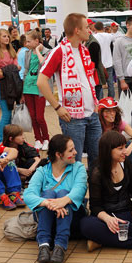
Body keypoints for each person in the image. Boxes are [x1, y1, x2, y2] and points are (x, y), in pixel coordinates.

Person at [37, 13, 102, 166]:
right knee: (74, 162)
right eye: (86, 27)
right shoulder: (59, 51)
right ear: (77, 30)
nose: (90, 30)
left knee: (97, 160)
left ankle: (95, 189)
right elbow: (41, 81)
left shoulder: (84, 50)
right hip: (72, 117)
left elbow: (88, 79)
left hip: (91, 113)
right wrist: (57, 107)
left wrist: (95, 102)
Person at [80, 130, 132, 251]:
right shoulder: (97, 172)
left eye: (125, 147)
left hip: (128, 214)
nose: (125, 151)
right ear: (108, 150)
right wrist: (108, 220)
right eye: (120, 148)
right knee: (86, 225)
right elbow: (95, 206)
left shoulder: (125, 163)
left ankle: (102, 241)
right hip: (107, 218)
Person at [24, 134, 88, 263]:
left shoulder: (78, 168)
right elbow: (28, 194)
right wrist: (49, 203)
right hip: (48, 216)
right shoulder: (42, 171)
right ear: (59, 154)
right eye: (71, 150)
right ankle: (44, 245)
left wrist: (63, 200)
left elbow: (80, 189)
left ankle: (60, 245)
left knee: (64, 192)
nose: (75, 152)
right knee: (48, 193)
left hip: (73, 217)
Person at [18, 30, 49, 150]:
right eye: (26, 41)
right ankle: (38, 139)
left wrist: (37, 50)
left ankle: (46, 138)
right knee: (32, 116)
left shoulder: (46, 52)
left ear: (37, 41)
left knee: (40, 117)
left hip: (40, 88)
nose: (26, 43)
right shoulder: (27, 53)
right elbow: (25, 71)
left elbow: (44, 64)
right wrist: (22, 91)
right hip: (28, 87)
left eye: (29, 41)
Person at [0, 29, 19, 144]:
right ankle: (0, 141)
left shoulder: (12, 51)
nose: (7, 38)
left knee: (10, 113)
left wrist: (5, 70)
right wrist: (10, 69)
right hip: (1, 85)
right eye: (4, 36)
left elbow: (18, 67)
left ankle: (9, 140)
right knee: (6, 114)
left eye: (7, 36)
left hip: (12, 84)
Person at [97, 96, 132, 170]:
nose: (111, 114)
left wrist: (129, 149)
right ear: (101, 113)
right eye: (107, 111)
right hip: (103, 152)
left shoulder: (118, 122)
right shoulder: (96, 124)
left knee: (131, 144)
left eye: (113, 110)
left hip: (117, 151)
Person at [113, 16, 132, 96]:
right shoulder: (119, 41)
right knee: (125, 105)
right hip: (125, 78)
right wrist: (122, 80)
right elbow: (117, 61)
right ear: (127, 25)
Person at [93, 21, 116, 99]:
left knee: (100, 83)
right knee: (110, 83)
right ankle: (111, 99)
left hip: (100, 64)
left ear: (95, 28)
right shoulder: (108, 36)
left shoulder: (94, 36)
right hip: (109, 62)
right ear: (103, 28)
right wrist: (111, 30)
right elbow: (114, 37)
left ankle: (101, 100)